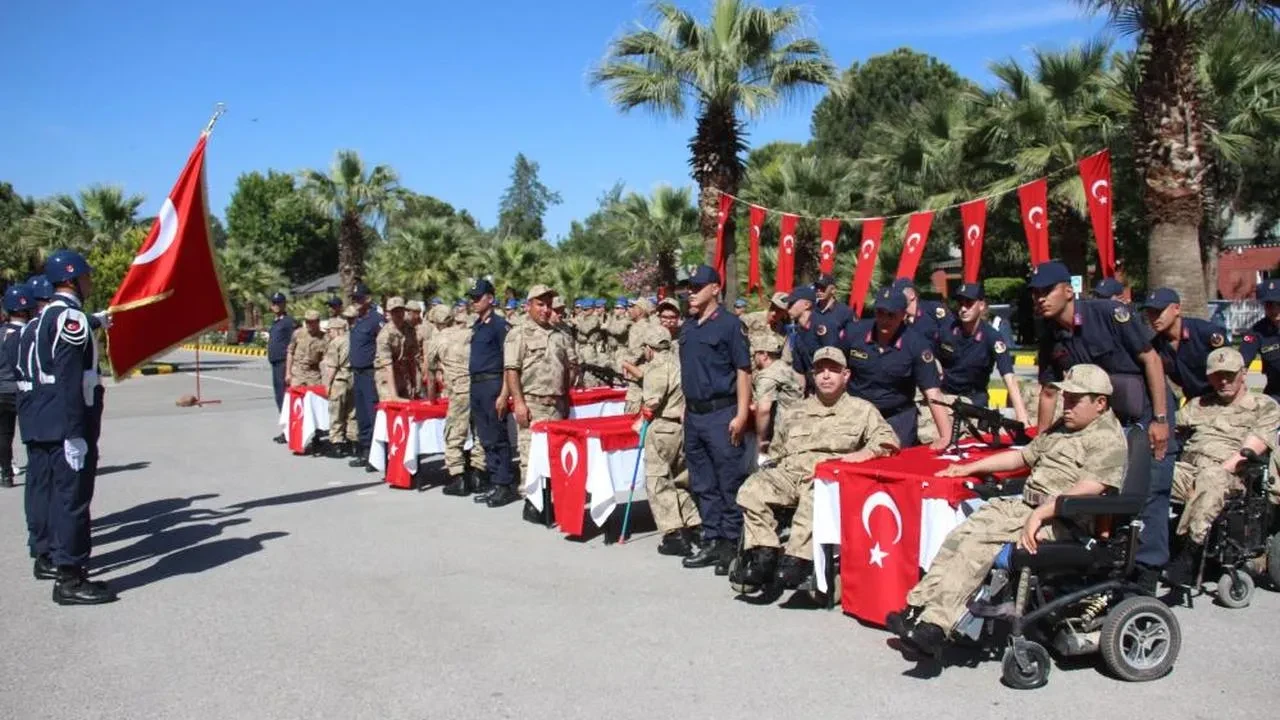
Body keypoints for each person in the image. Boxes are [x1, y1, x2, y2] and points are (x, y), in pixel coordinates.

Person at [889, 364, 1126, 657]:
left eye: (1075, 400)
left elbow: (1092, 486)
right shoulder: (1064, 427)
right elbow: (1021, 458)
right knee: (961, 534)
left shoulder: (1107, 438)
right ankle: (916, 607)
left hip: (1062, 519)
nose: (1066, 406)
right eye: (1066, 398)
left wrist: (1041, 514)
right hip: (1025, 505)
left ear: (1100, 403)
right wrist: (967, 467)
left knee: (976, 546)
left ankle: (936, 627)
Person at [1030, 260, 1171, 588]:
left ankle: (1147, 574)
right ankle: (1102, 563)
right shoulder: (1050, 334)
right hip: (1099, 422)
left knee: (1149, 490)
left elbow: (1150, 360)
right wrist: (1041, 442)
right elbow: (1050, 391)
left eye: (1046, 291)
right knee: (1097, 489)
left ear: (1068, 290)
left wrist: (1161, 419)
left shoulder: (1107, 314)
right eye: (1035, 293)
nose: (1040, 298)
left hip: (1145, 413)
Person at [735, 347, 900, 591]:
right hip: (791, 474)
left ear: (846, 376)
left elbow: (888, 440)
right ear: (812, 376)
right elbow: (778, 451)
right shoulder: (795, 411)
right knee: (752, 489)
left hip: (830, 478)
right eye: (820, 370)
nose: (825, 376)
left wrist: (861, 455)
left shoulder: (862, 410)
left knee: (816, 492)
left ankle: (797, 560)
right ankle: (764, 554)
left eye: (833, 370)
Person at [17, 250, 116, 604]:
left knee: (56, 496)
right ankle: (71, 579)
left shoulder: (44, 318)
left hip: (45, 419)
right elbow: (70, 379)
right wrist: (75, 432)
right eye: (86, 276)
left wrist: (99, 322)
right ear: (72, 279)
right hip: (68, 423)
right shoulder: (70, 318)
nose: (90, 281)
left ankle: (61, 564)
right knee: (73, 499)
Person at [1164, 347, 1280, 585]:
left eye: (1229, 374)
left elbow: (1250, 449)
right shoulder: (1199, 404)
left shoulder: (1263, 405)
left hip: (1233, 475)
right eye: (1217, 375)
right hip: (1188, 471)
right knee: (1150, 474)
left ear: (1243, 373)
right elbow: (1169, 431)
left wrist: (1217, 471)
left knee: (1212, 477)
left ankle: (1190, 554)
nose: (1223, 380)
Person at [677, 265, 752, 574]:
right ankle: (712, 538)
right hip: (694, 414)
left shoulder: (731, 325)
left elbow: (743, 370)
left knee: (728, 481)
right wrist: (685, 412)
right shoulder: (688, 327)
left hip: (722, 413)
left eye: (697, 287)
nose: (691, 293)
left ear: (715, 289)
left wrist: (742, 413)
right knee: (703, 482)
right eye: (689, 288)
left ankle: (731, 544)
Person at [844, 286, 952, 448]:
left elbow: (932, 392)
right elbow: (834, 370)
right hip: (859, 415)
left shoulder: (916, 344)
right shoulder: (854, 333)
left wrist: (945, 436)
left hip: (898, 417)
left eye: (891, 315)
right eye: (880, 313)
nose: (885, 320)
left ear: (903, 314)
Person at [502, 284, 576, 505]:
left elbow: (569, 368)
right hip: (533, 403)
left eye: (549, 305)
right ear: (529, 306)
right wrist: (519, 403)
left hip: (557, 405)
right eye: (540, 304)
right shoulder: (518, 334)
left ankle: (552, 501)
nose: (545, 309)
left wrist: (566, 397)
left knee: (555, 455)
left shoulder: (560, 334)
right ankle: (533, 503)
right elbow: (511, 370)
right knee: (531, 455)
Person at [635, 325, 702, 556]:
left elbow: (652, 401)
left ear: (648, 349)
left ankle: (673, 533)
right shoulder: (678, 362)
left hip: (663, 426)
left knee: (658, 480)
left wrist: (642, 415)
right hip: (681, 426)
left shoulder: (656, 367)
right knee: (681, 479)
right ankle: (694, 523)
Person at [929, 282, 1030, 429]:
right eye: (960, 303)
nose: (963, 309)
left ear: (981, 306)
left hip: (974, 400)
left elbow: (1009, 376)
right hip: (946, 396)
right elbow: (928, 355)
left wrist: (1021, 416)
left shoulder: (992, 337)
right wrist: (935, 365)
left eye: (969, 303)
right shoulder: (947, 330)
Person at [427, 305, 486, 496]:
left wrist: (431, 398)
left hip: (458, 391)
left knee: (454, 433)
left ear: (436, 322)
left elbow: (429, 371)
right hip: (477, 387)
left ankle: (458, 478)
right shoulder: (468, 334)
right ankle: (478, 474)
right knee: (479, 431)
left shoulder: (436, 340)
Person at [468, 278, 516, 507]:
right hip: (476, 385)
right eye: (473, 298)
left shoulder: (499, 326)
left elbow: (509, 363)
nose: (474, 302)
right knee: (485, 436)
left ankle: (504, 483)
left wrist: (504, 393)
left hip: (493, 384)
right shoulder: (477, 325)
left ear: (491, 298)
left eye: (478, 297)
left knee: (497, 436)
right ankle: (495, 481)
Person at [1142, 287, 1229, 401]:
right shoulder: (1156, 346)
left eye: (1159, 311)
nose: (1155, 318)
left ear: (1177, 309)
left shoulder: (1205, 333)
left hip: (1222, 398)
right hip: (1194, 402)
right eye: (1150, 313)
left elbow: (1232, 365)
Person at [1, 284, 34, 488]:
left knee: (4, 435)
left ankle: (6, 474)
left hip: (1, 391)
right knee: (31, 432)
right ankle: (38, 469)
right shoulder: (29, 334)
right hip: (21, 389)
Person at [348, 284, 384, 469]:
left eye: (359, 298)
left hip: (371, 373)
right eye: (354, 298)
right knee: (361, 415)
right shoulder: (358, 320)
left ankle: (377, 455)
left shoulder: (375, 320)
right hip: (357, 373)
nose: (356, 302)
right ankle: (365, 451)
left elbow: (384, 345)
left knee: (372, 415)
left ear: (367, 299)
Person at [750, 332, 803, 458]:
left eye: (755, 354)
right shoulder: (783, 366)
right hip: (799, 425)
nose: (753, 358)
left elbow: (763, 410)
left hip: (783, 434)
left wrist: (760, 439)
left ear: (764, 355)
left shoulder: (768, 375)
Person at [1238, 279, 1280, 404]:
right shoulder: (1256, 332)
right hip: (1276, 394)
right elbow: (1241, 363)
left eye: (1279, 304)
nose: (1274, 309)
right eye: (1269, 304)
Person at [322, 316, 357, 458]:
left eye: (330, 330)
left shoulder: (336, 342)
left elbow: (332, 366)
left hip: (339, 379)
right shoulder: (354, 339)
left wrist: (327, 385)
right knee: (352, 413)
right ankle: (354, 442)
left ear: (337, 330)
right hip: (353, 378)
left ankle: (337, 444)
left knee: (336, 412)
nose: (328, 334)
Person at [374, 297, 419, 401]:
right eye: (395, 312)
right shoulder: (385, 336)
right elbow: (387, 367)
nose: (398, 314)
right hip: (386, 376)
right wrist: (394, 396)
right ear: (389, 313)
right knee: (391, 407)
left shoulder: (409, 329)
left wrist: (414, 384)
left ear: (405, 311)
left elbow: (412, 358)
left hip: (402, 374)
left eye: (400, 311)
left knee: (409, 405)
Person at [618, 297, 658, 412]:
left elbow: (636, 351)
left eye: (633, 307)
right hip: (647, 371)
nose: (629, 310)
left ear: (640, 310)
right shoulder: (649, 325)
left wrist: (626, 364)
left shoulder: (638, 327)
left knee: (633, 404)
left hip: (638, 371)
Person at [266, 292, 295, 444]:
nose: (276, 306)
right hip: (275, 364)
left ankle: (289, 431)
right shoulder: (275, 322)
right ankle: (286, 430)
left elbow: (293, 343)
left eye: (279, 303)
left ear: (284, 304)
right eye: (274, 303)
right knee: (279, 398)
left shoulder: (288, 322)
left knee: (284, 398)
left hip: (283, 364)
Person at [812, 274, 856, 347]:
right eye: (817, 287)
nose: (819, 290)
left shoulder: (845, 312)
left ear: (833, 290)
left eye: (823, 287)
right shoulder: (811, 310)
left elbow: (852, 339)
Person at [286, 310, 327, 388]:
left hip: (314, 376)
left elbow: (325, 361)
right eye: (306, 321)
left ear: (318, 322)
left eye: (311, 322)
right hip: (297, 374)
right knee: (296, 398)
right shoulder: (298, 333)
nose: (308, 324)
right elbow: (290, 353)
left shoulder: (324, 338)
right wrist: (288, 373)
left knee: (313, 399)